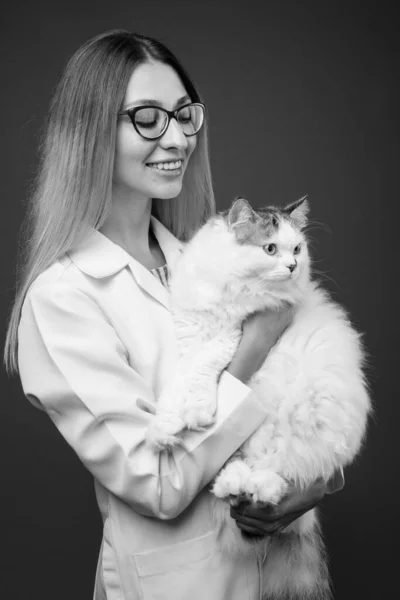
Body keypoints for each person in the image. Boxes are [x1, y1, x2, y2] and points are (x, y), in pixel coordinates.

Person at [4, 30, 343, 600]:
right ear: (89, 133)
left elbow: (305, 395)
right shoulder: (65, 297)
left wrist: (317, 483)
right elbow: (156, 483)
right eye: (146, 118)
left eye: (184, 114)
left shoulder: (207, 262)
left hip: (280, 579)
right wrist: (252, 349)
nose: (177, 136)